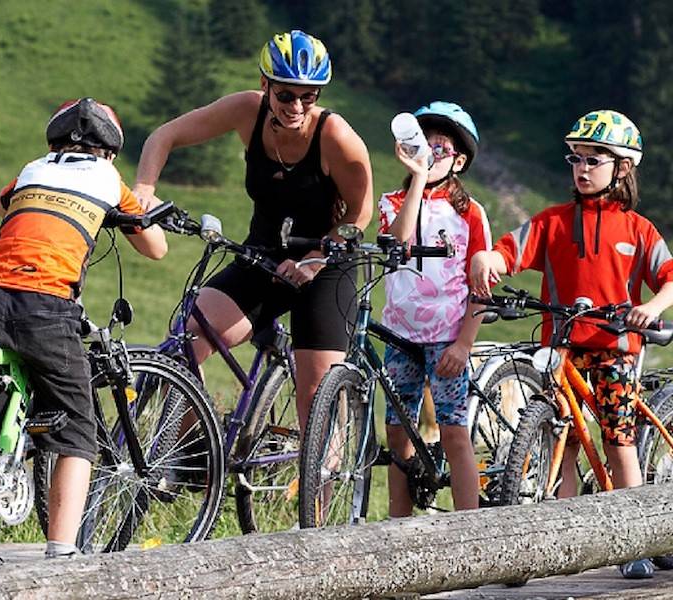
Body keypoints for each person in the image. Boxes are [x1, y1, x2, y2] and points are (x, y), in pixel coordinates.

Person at [132, 30, 373, 437]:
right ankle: (198, 456)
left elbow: (360, 211)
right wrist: (143, 189)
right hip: (262, 255)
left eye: (308, 96)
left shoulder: (336, 136)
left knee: (316, 398)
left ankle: (318, 496)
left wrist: (317, 257)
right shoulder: (247, 110)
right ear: (266, 85)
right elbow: (164, 136)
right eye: (286, 95)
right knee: (185, 339)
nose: (297, 106)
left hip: (325, 265)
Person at [470, 109, 673, 579]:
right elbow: (511, 249)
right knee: (561, 434)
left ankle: (636, 541)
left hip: (616, 348)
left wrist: (655, 307)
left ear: (621, 168)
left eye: (594, 160)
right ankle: (562, 542)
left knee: (618, 440)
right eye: (575, 159)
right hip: (562, 345)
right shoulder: (553, 222)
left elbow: (668, 277)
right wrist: (488, 258)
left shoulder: (638, 229)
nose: (581, 169)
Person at [0, 97, 167, 565]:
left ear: (54, 142)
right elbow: (154, 248)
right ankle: (62, 552)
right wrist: (127, 211)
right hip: (47, 305)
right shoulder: (107, 178)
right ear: (109, 152)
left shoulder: (33, 168)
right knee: (78, 429)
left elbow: (1, 204)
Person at [378, 101, 490, 517]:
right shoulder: (392, 202)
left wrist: (464, 344)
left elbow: (481, 288)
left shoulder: (471, 213)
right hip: (400, 336)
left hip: (447, 339)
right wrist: (419, 178)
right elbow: (399, 242)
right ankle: (398, 525)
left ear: (459, 161)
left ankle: (469, 530)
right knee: (398, 433)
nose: (429, 152)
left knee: (454, 432)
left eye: (440, 149)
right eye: (423, 144)